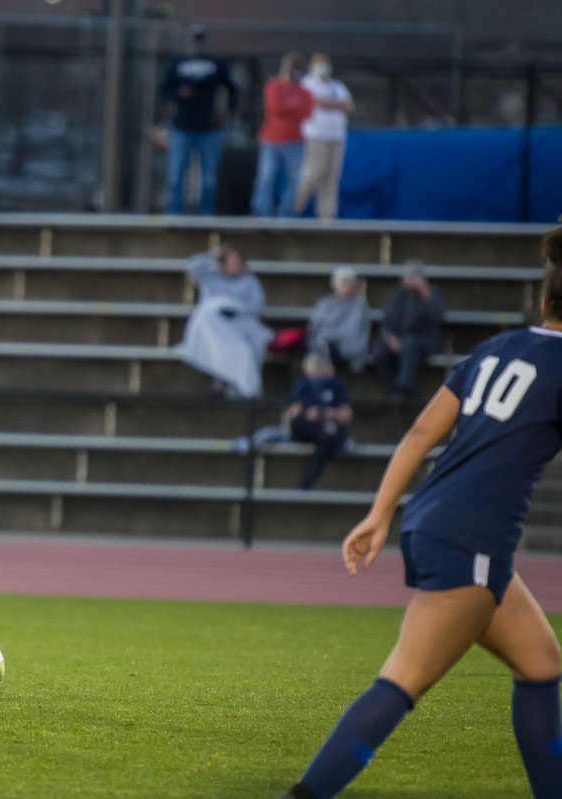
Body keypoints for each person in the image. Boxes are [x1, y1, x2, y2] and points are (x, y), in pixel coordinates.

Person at [280, 229, 562, 799]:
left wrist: (379, 514)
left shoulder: (496, 348)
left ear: (543, 298)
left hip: (431, 517)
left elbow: (419, 433)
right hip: (475, 538)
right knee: (402, 681)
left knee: (540, 663)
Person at [151, 24, 239, 215]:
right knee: (176, 176)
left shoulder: (215, 63)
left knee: (208, 178)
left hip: (209, 129)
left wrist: (225, 112)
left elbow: (233, 88)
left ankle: (205, 217)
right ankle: (174, 216)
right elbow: (164, 91)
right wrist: (180, 93)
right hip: (182, 128)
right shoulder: (177, 62)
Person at [177, 246, 273, 398]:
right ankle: (223, 379)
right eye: (231, 261)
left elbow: (256, 305)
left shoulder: (249, 281)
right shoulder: (211, 277)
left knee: (244, 350)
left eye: (238, 262)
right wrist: (212, 255)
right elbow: (192, 267)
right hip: (214, 325)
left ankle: (237, 385)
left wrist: (235, 311)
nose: (235, 265)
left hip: (238, 324)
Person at [251, 51, 314, 217]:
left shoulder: (305, 90)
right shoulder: (273, 85)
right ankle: (262, 215)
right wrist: (292, 105)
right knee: (266, 177)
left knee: (295, 181)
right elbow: (275, 107)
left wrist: (288, 105)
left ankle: (287, 216)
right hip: (271, 140)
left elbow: (307, 111)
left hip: (295, 142)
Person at [373, 265, 447, 402]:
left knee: (410, 345)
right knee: (380, 352)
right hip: (397, 338)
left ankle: (405, 388)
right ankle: (391, 390)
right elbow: (386, 321)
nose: (410, 281)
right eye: (408, 278)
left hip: (423, 341)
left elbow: (438, 316)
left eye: (414, 278)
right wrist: (390, 338)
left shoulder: (432, 293)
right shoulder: (397, 295)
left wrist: (425, 291)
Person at [294, 53, 354, 220]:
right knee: (313, 173)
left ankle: (327, 218)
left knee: (331, 179)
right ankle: (294, 208)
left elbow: (349, 105)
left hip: (336, 137)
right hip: (316, 136)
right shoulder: (307, 83)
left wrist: (326, 102)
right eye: (320, 64)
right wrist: (336, 104)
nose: (324, 68)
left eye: (326, 64)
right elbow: (313, 101)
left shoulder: (337, 86)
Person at [286, 353, 353, 490]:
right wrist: (308, 414)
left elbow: (347, 415)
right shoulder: (302, 385)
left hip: (327, 432)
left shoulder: (336, 385)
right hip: (307, 429)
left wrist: (327, 413)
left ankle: (306, 485)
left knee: (328, 437)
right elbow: (293, 413)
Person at [307, 267, 371, 373]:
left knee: (329, 351)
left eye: (351, 282)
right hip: (324, 344)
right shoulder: (325, 303)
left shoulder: (360, 304)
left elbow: (358, 330)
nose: (348, 286)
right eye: (344, 282)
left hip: (347, 346)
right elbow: (315, 327)